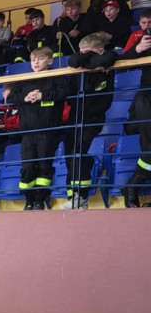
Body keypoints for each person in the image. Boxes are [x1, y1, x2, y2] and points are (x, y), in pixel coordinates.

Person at [8, 46, 68, 210]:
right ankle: (29, 200)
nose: (36, 62)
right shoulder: (24, 79)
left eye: (40, 59)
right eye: (33, 59)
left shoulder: (57, 76)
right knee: (27, 167)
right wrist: (25, 98)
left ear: (50, 61)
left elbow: (65, 92)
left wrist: (43, 96)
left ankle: (39, 200)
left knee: (44, 166)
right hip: (28, 133)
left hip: (48, 132)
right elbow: (11, 98)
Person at [65, 32, 117, 208]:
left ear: (100, 50)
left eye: (87, 53)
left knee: (79, 150)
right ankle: (72, 195)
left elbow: (110, 56)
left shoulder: (107, 60)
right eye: (81, 52)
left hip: (93, 115)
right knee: (70, 153)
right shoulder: (80, 61)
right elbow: (72, 60)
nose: (82, 56)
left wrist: (88, 60)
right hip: (75, 114)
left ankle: (82, 195)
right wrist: (85, 57)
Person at [118, 22, 151, 207]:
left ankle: (132, 185)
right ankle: (132, 185)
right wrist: (138, 48)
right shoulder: (146, 43)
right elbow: (122, 62)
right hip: (147, 96)